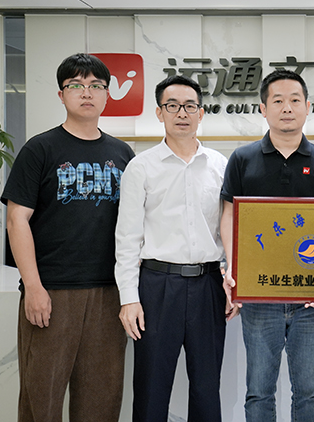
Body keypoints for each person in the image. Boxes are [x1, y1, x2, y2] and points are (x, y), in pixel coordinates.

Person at [1, 53, 134, 422]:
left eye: (96, 86)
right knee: (41, 398)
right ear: (61, 95)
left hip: (109, 292)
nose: (86, 92)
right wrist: (33, 287)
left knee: (101, 400)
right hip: (52, 291)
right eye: (76, 85)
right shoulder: (40, 149)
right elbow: (16, 219)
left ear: (107, 95)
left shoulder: (122, 153)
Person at [220, 69, 314, 422]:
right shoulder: (242, 159)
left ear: (307, 106)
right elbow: (229, 215)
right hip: (259, 294)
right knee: (259, 392)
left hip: (311, 297)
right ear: (264, 108)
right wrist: (233, 267)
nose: (287, 108)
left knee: (309, 392)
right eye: (278, 100)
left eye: (295, 100)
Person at [115, 75, 228, 421]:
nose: (182, 113)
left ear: (201, 113)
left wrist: (231, 282)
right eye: (173, 105)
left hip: (209, 285)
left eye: (190, 106)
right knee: (151, 388)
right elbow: (127, 238)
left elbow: (229, 231)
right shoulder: (141, 167)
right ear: (159, 112)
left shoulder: (219, 165)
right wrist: (128, 298)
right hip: (157, 287)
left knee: (207, 388)